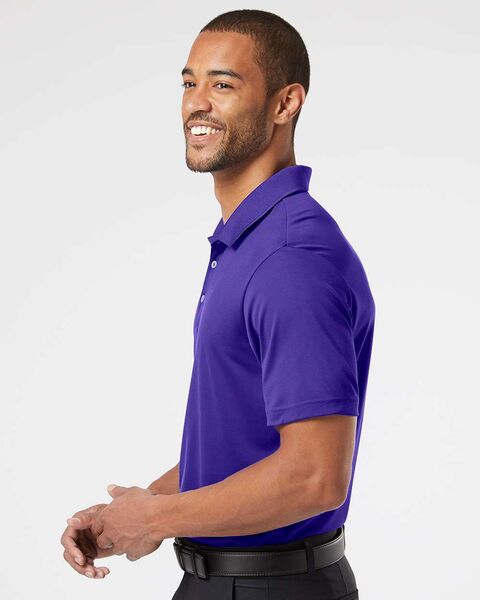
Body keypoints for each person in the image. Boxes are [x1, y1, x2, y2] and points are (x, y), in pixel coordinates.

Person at [60, 9, 375, 600]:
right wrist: (142, 508)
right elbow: (247, 443)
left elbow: (314, 477)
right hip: (227, 581)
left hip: (274, 588)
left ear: (285, 103)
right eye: (189, 82)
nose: (196, 103)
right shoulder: (248, 241)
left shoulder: (290, 258)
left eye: (223, 84)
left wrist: (155, 519)